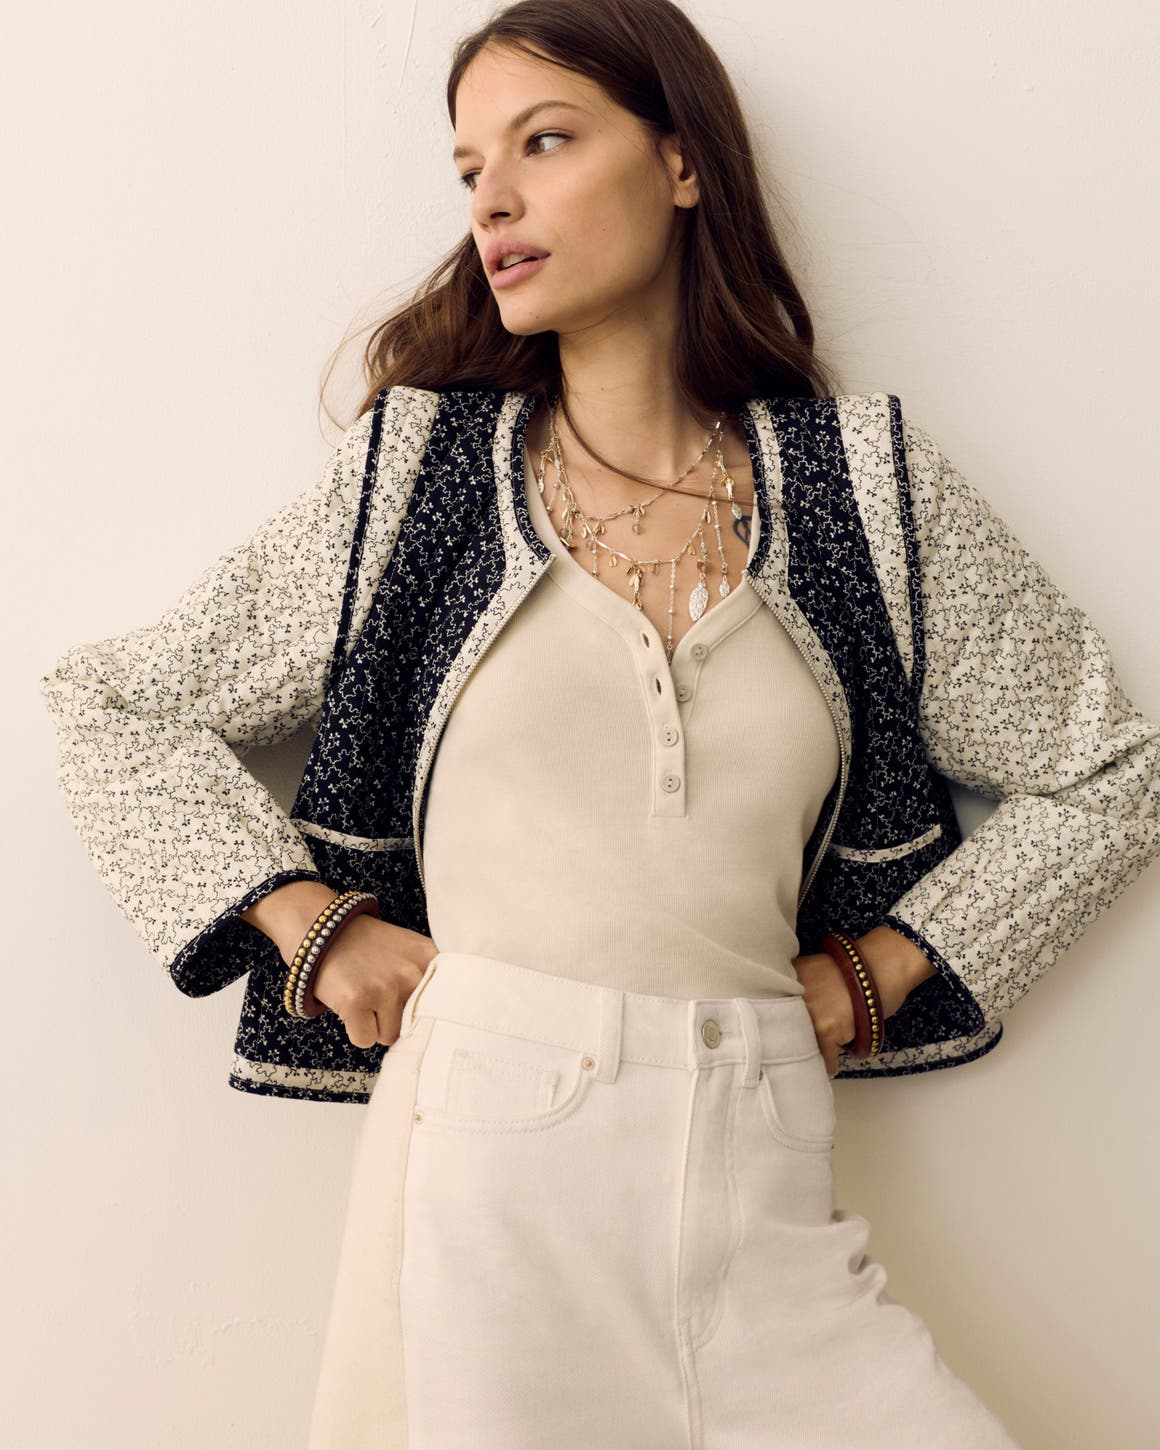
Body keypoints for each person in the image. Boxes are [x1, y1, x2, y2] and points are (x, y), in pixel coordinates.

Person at [39, 1, 1160, 1447]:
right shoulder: (423, 479)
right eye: (468, 169)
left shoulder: (861, 493)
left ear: (683, 163)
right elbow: (110, 701)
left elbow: (1112, 770)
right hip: (493, 1175)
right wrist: (308, 921)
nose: (492, 197)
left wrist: (867, 979)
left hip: (767, 1180)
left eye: (545, 142)